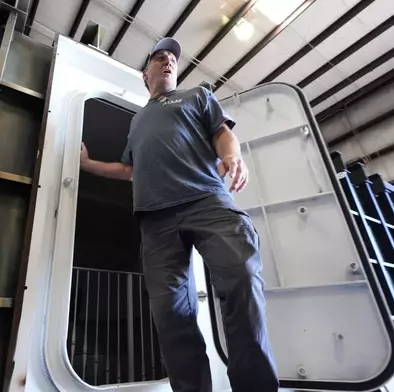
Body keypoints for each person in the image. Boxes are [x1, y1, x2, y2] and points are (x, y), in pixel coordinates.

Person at [79, 37, 278, 392]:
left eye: (172, 58)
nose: (168, 61)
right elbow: (128, 170)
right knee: (170, 313)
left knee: (243, 276)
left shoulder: (196, 96)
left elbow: (223, 133)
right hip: (155, 221)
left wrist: (232, 156)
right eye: (159, 57)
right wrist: (88, 164)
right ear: (146, 74)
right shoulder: (138, 121)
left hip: (206, 202)